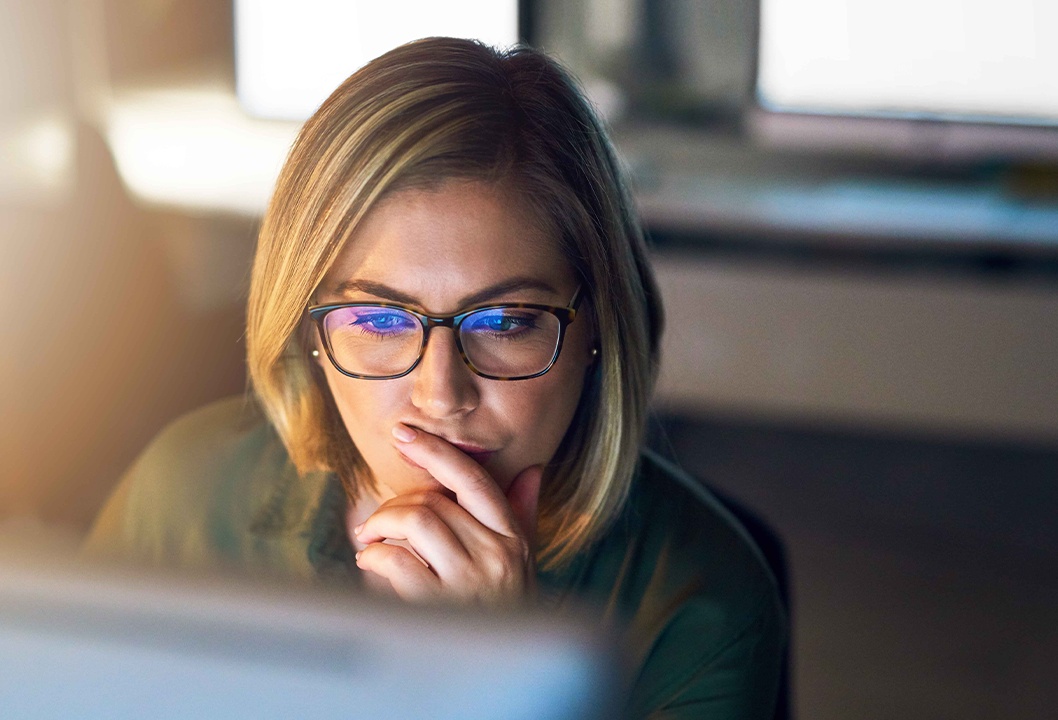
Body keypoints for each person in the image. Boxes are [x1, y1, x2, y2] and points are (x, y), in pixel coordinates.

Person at [85, 38, 785, 717]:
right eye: (381, 322)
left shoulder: (702, 605)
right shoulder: (183, 495)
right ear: (307, 329)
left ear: (597, 324)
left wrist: (491, 679)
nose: (441, 397)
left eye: (506, 321)